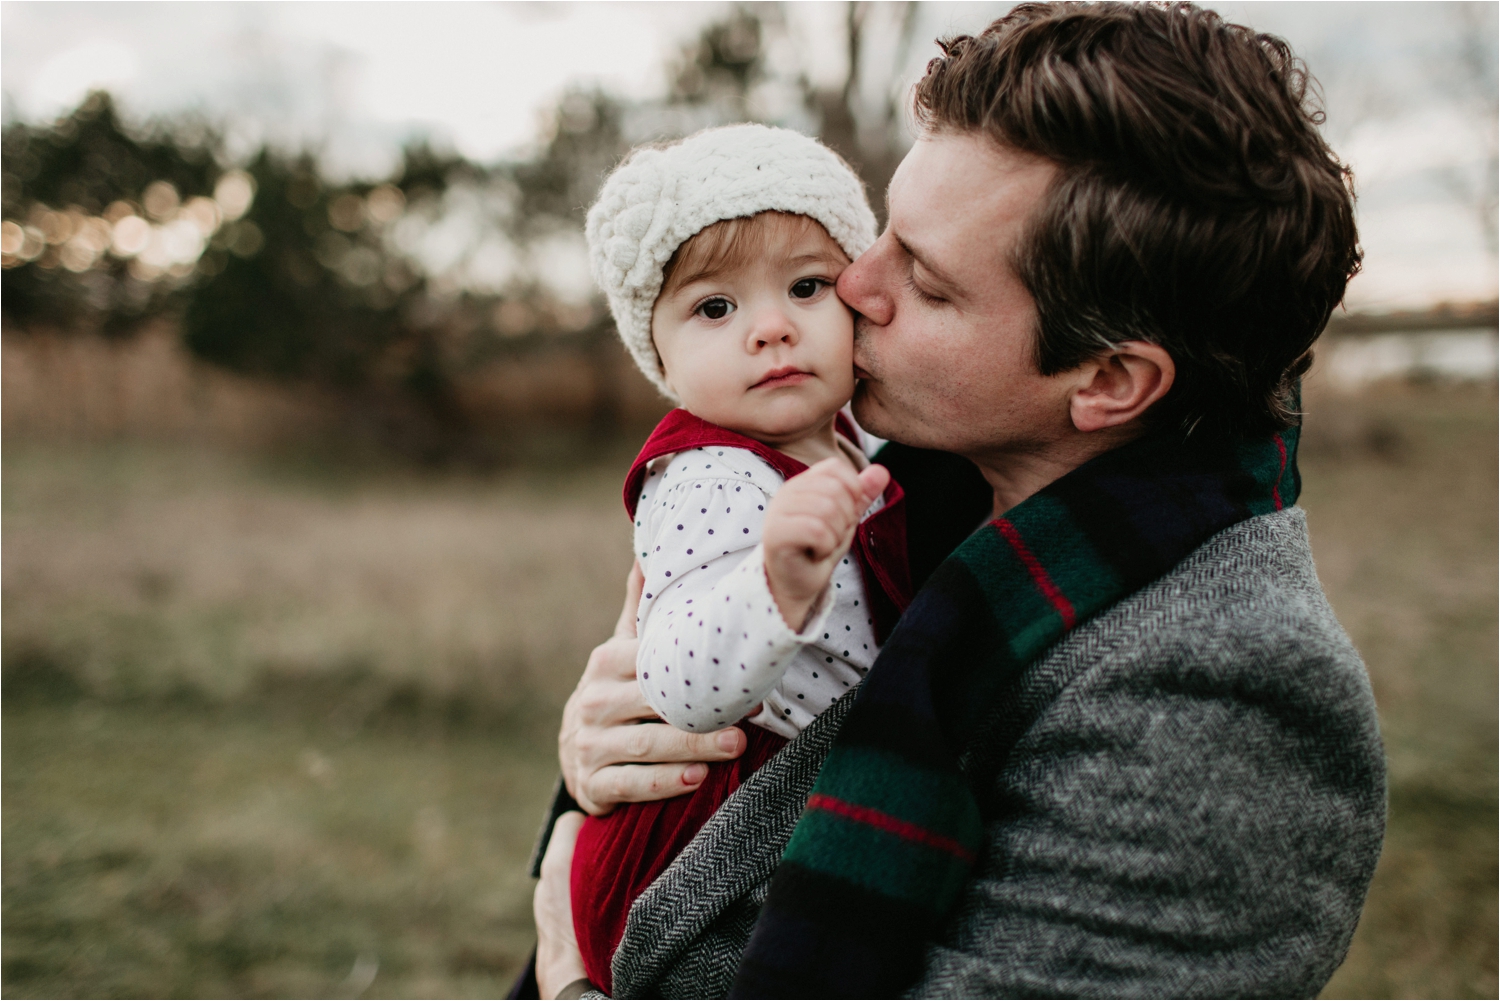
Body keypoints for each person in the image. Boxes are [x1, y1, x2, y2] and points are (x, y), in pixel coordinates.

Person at [530, 3, 1387, 998]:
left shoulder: (1222, 707)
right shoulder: (904, 476)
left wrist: (566, 966)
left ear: (1109, 380)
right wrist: (596, 752)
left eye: (928, 285)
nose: (854, 283)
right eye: (885, 230)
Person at [566, 124, 914, 995]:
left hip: (794, 814)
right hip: (698, 851)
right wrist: (773, 585)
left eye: (805, 286)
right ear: (661, 355)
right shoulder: (707, 479)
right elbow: (681, 688)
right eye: (714, 307)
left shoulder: (847, 436)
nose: (770, 328)